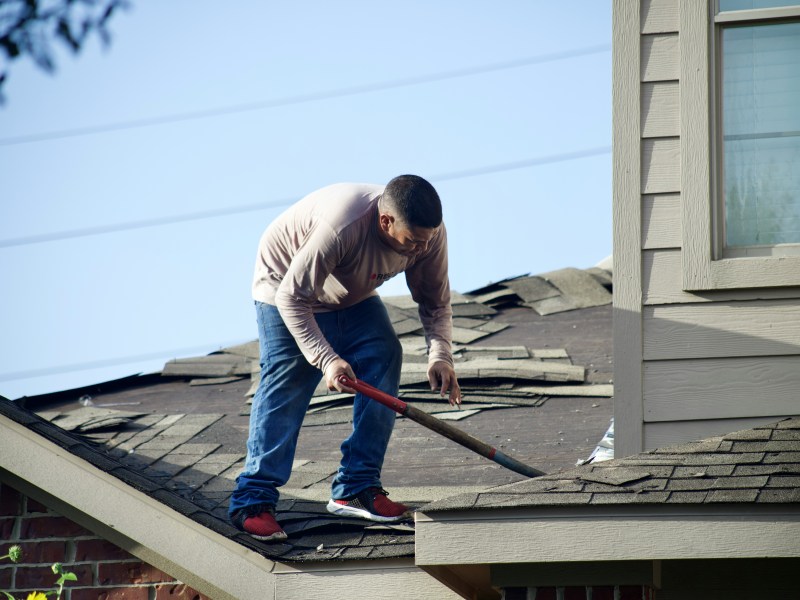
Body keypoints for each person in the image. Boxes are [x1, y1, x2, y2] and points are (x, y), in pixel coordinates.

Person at [228, 174, 461, 541]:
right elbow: (293, 298)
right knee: (289, 379)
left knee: (384, 353)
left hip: (349, 294)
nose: (419, 250)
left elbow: (435, 301)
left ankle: (356, 487)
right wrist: (326, 359)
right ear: (386, 222)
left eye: (426, 241)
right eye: (413, 241)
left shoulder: (427, 235)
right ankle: (252, 501)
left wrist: (441, 355)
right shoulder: (342, 226)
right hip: (284, 287)